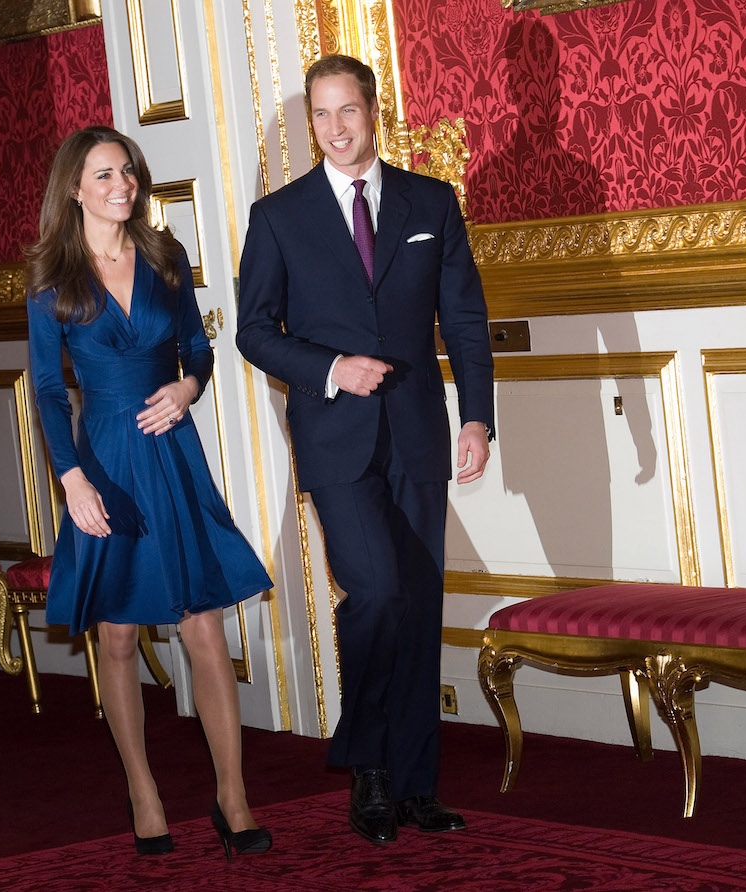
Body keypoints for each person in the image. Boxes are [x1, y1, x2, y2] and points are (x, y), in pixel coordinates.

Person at [237, 55, 495, 844]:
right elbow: (254, 331)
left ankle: (415, 785)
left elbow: (465, 320)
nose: (337, 128)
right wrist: (330, 370)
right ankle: (370, 763)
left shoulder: (430, 201)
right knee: (377, 591)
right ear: (309, 125)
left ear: (374, 112)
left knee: (418, 609)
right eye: (321, 115)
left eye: (348, 111)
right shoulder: (280, 217)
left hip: (417, 435)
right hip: (335, 442)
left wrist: (477, 419)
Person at [27, 125, 273, 862]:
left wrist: (187, 386)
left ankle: (232, 795)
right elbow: (45, 389)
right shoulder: (51, 278)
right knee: (118, 635)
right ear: (75, 187)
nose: (121, 185)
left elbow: (196, 346)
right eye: (104, 175)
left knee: (203, 627)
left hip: (171, 456)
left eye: (127, 172)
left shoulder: (166, 256)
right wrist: (70, 480)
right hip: (101, 463)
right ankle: (143, 790)